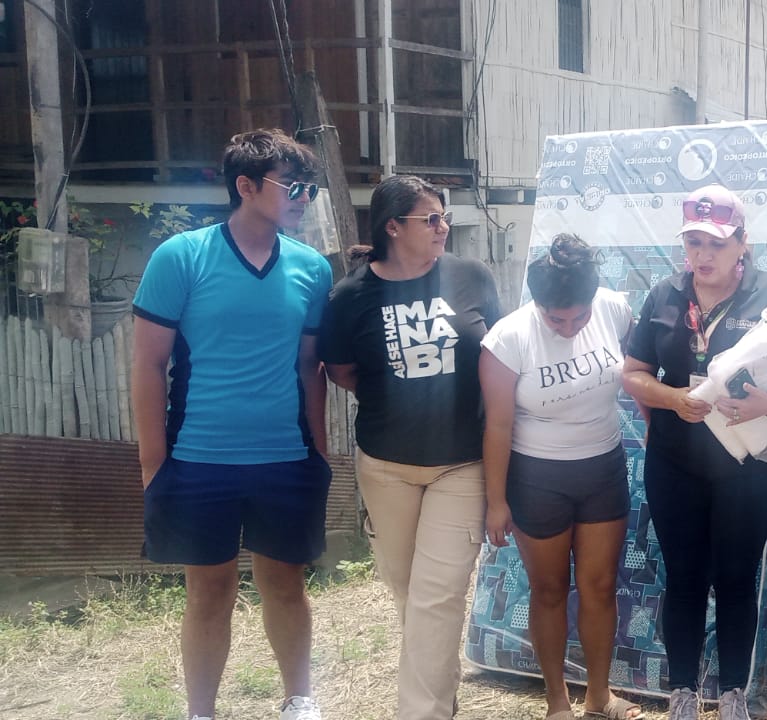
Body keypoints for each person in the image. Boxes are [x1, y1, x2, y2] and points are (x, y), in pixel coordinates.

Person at [130, 129, 333, 720]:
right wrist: (153, 464)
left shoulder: (311, 268)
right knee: (209, 591)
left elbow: (310, 367)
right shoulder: (181, 257)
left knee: (287, 585)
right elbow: (148, 364)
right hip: (198, 461)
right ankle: (201, 711)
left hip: (286, 459)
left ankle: (299, 699)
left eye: (309, 186)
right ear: (245, 186)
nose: (303, 197)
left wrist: (319, 454)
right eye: (291, 185)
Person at [622, 185, 767, 720]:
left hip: (749, 465)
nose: (703, 255)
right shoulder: (664, 295)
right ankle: (682, 694)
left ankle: (733, 694)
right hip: (676, 460)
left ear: (742, 243)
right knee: (684, 575)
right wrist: (673, 398)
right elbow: (633, 373)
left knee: (736, 575)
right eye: (694, 242)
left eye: (716, 243)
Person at [318, 175, 500, 719]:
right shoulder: (351, 296)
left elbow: (499, 355)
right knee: (411, 595)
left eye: (444, 217)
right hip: (386, 467)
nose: (443, 227)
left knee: (436, 595)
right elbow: (341, 371)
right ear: (393, 227)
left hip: (461, 464)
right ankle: (440, 696)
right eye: (431, 219)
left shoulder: (471, 276)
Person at [480, 234, 642, 720]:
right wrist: (496, 502)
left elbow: (638, 371)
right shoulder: (507, 339)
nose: (569, 328)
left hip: (603, 467)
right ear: (537, 304)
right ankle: (557, 702)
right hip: (538, 477)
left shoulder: (614, 310)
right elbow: (498, 425)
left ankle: (599, 697)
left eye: (579, 317)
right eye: (556, 320)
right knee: (549, 589)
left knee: (600, 585)